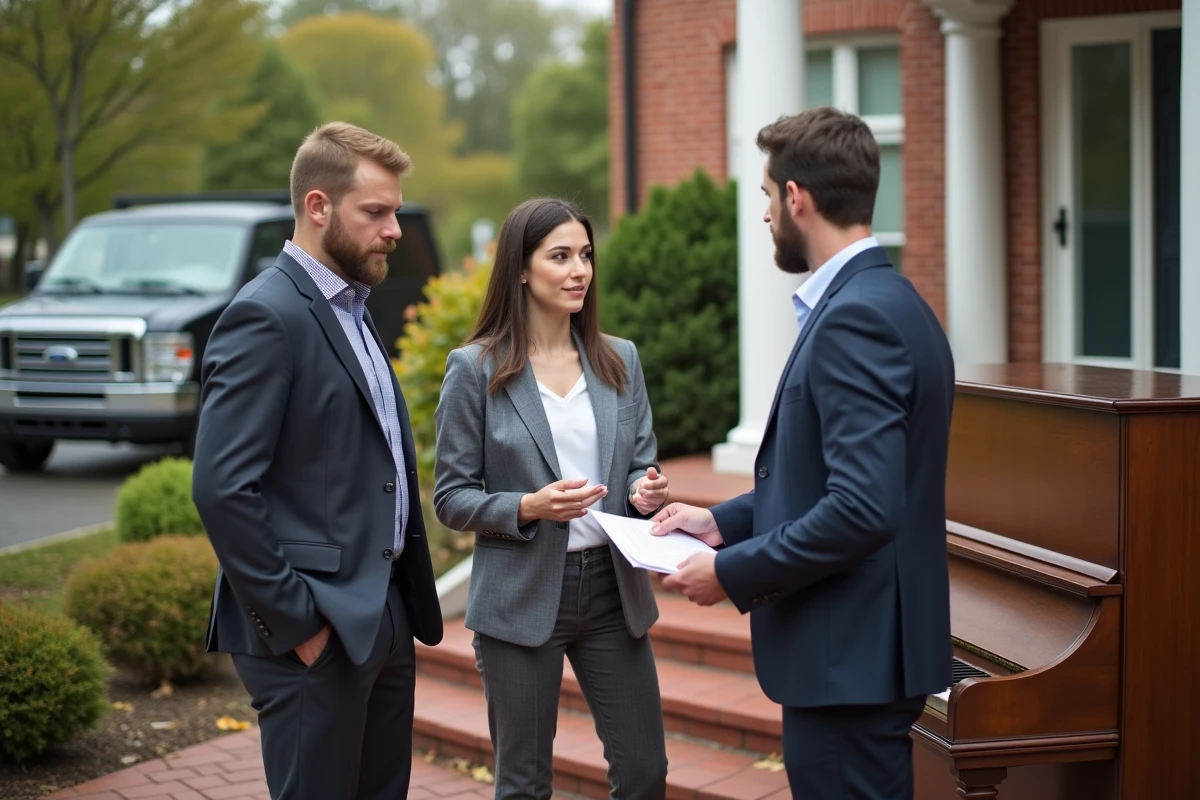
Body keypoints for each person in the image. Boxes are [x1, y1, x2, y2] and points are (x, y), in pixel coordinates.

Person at [651, 107, 955, 800]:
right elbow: (832, 477)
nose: (763, 214)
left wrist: (731, 572)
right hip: (862, 657)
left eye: (766, 194)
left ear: (797, 197)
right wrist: (721, 522)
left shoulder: (856, 318)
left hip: (847, 660)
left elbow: (862, 508)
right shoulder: (895, 300)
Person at [192, 121, 443, 800]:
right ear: (318, 206)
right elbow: (221, 488)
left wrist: (393, 610)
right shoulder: (264, 316)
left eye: (395, 211)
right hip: (315, 629)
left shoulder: (353, 307)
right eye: (376, 212)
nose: (394, 229)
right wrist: (299, 625)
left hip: (382, 610)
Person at [433, 197, 670, 800]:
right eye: (560, 256)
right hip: (520, 595)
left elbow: (639, 462)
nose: (579, 270)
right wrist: (527, 507)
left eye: (585, 255)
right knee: (524, 783)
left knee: (645, 772)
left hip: (613, 590)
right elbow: (452, 497)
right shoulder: (475, 369)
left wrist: (645, 487)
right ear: (520, 268)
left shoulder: (619, 359)